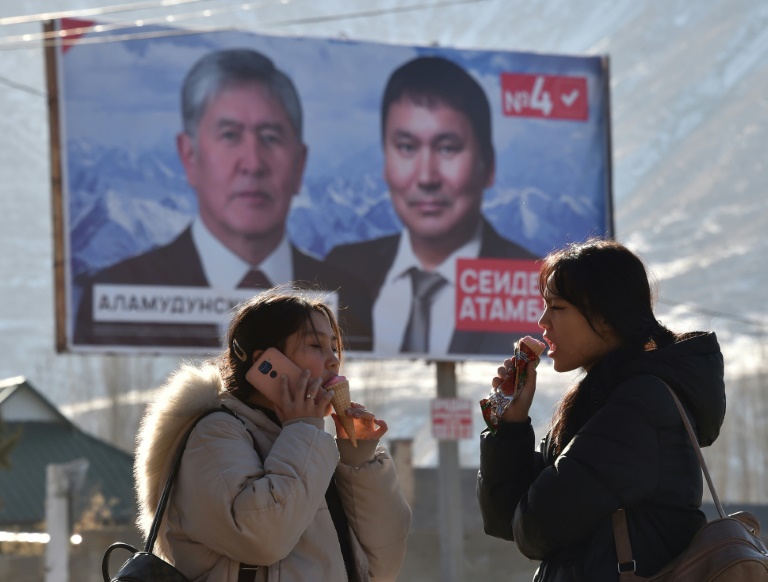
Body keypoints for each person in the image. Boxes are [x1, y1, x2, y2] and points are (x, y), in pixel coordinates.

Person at [73, 48, 370, 349]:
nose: (253, 163)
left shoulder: (351, 301)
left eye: (271, 137)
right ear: (189, 156)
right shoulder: (119, 290)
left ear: (300, 162)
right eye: (230, 135)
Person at [476, 238, 726, 580]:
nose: (542, 321)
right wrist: (511, 425)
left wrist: (528, 506)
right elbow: (506, 519)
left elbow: (536, 526)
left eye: (557, 307)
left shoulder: (638, 409)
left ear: (606, 317)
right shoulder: (601, 399)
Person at [134, 286, 412, 581]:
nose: (333, 360)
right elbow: (261, 539)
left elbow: (381, 566)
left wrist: (358, 460)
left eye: (334, 347)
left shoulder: (310, 444)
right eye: (316, 346)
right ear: (267, 363)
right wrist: (304, 429)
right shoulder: (214, 434)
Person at [324, 55, 537, 356]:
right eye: (407, 147)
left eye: (447, 148)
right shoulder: (341, 270)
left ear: (487, 164)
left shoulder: (533, 284)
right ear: (385, 161)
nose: (426, 177)